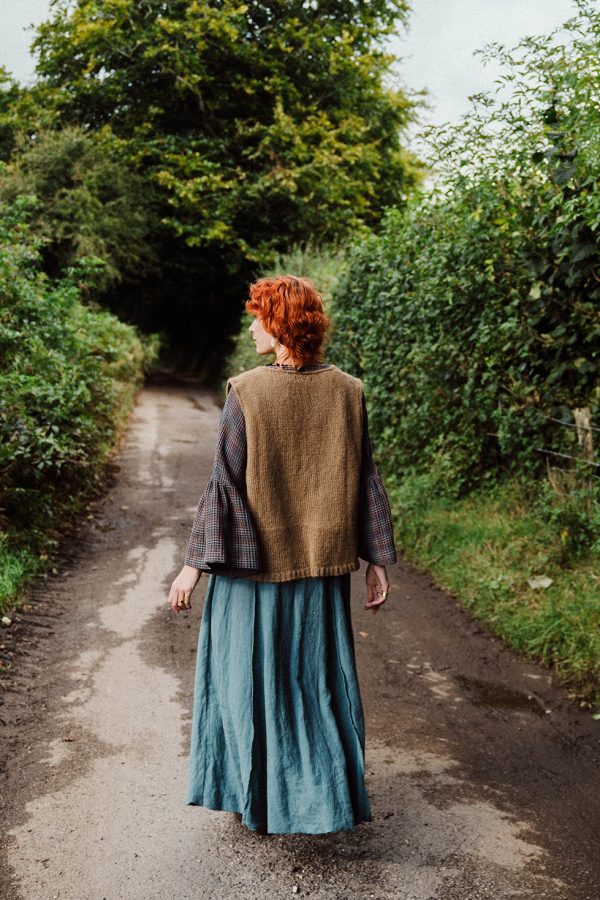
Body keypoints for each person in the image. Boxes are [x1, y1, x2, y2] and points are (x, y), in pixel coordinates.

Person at [167, 274, 397, 836]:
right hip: (319, 573)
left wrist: (193, 565)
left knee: (243, 685)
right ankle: (322, 799)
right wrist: (376, 560)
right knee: (312, 686)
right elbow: (367, 478)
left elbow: (223, 482)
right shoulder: (350, 391)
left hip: (251, 575)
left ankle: (260, 800)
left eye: (257, 317)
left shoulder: (247, 390)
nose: (250, 327)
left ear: (280, 324)